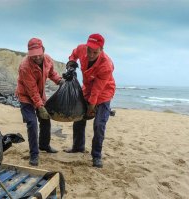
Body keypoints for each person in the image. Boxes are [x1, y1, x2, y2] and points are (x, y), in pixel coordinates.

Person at [63, 33, 116, 168]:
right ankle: (78, 147)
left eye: (95, 52)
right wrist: (71, 63)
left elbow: (97, 90)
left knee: (99, 125)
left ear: (101, 50)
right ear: (86, 46)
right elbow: (74, 54)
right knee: (79, 118)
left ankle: (96, 156)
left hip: (103, 94)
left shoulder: (106, 65)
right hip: (87, 90)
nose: (91, 54)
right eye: (89, 50)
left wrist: (91, 108)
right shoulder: (81, 49)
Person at [16, 38, 64, 166]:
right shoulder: (25, 67)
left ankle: (44, 145)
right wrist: (39, 106)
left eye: (39, 53)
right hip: (26, 97)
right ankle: (34, 154)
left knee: (45, 120)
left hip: (40, 95)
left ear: (43, 50)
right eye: (33, 55)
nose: (37, 57)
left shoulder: (47, 59)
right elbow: (31, 91)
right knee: (32, 123)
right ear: (29, 53)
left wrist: (59, 81)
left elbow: (52, 73)